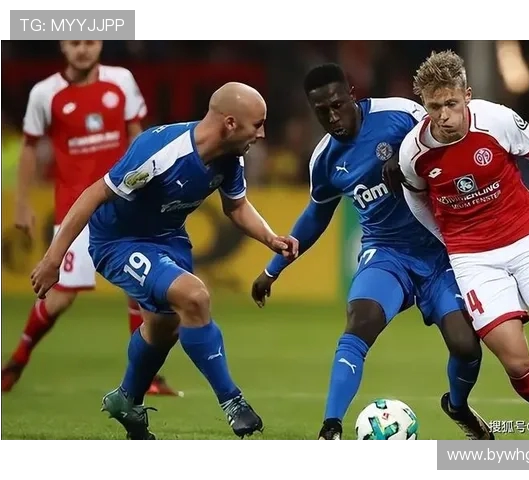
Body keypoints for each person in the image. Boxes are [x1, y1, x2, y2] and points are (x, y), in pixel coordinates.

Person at [30, 82, 299, 440]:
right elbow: (94, 194)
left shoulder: (230, 157)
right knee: (195, 297)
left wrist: (271, 238)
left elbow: (236, 206)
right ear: (230, 123)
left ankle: (127, 399)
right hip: (119, 242)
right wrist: (53, 258)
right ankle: (233, 401)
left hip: (169, 239)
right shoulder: (161, 151)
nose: (262, 134)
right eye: (258, 124)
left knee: (163, 328)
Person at [251, 63, 492, 440]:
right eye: (322, 111)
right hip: (386, 254)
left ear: (352, 94)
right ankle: (330, 428)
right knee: (359, 323)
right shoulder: (325, 160)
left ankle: (458, 406)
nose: (333, 117)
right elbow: (315, 215)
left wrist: (408, 155)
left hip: (439, 252)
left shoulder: (399, 114)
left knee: (465, 345)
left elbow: (445, 136)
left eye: (337, 105)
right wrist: (271, 270)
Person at [396, 50, 529, 440]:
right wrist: (448, 241)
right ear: (425, 105)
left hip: (526, 240)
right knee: (516, 362)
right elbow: (416, 199)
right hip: (474, 260)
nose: (444, 116)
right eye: (435, 107)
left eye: (451, 104)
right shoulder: (414, 152)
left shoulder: (498, 120)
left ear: (467, 96)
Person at [2, 40, 178, 396]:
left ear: (100, 44)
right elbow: (30, 148)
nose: (83, 50)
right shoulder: (45, 93)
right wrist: (22, 202)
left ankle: (146, 377)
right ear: (62, 46)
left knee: (140, 289)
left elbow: (137, 136)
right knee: (60, 297)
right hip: (75, 209)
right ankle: (17, 360)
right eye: (75, 43)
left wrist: (149, 183)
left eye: (90, 42)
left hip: (124, 204)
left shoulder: (121, 80)